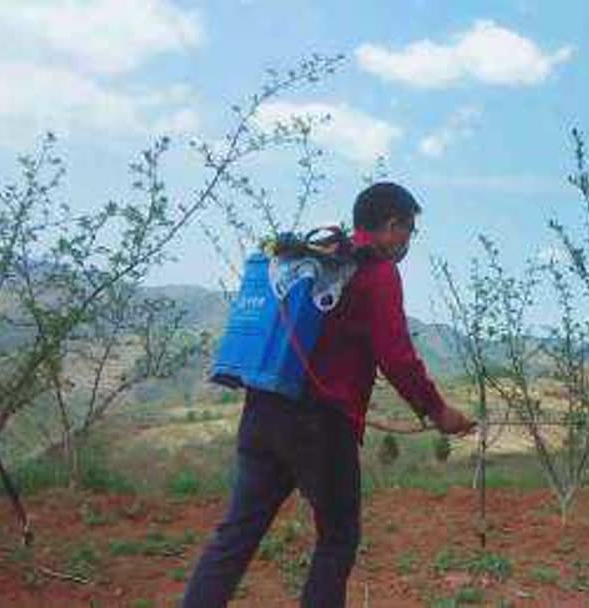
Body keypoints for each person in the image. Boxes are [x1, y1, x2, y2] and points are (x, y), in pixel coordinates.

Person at [183, 182, 476, 607]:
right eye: (409, 231)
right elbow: (396, 356)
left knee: (236, 533)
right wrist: (438, 412)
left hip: (263, 407)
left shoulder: (317, 257)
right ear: (392, 225)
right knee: (338, 537)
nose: (408, 242)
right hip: (319, 425)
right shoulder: (376, 272)